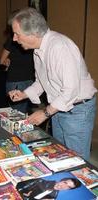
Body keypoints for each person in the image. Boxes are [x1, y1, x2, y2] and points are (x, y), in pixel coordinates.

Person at [8, 7, 97, 161]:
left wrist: (45, 113)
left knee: (77, 161)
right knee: (61, 155)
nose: (14, 38)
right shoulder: (38, 49)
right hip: (59, 107)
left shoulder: (60, 47)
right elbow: (43, 81)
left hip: (77, 109)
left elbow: (71, 90)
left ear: (33, 33)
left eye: (17, 34)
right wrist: (24, 94)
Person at [0, 26, 35, 114]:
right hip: (19, 81)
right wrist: (7, 62)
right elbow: (2, 62)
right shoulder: (14, 40)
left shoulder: (31, 39)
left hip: (28, 80)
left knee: (19, 113)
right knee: (18, 113)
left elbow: (1, 61)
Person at [17, 177, 81, 199]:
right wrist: (23, 194)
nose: (64, 186)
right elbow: (19, 186)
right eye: (65, 183)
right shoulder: (41, 181)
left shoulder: (54, 196)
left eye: (68, 187)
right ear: (62, 180)